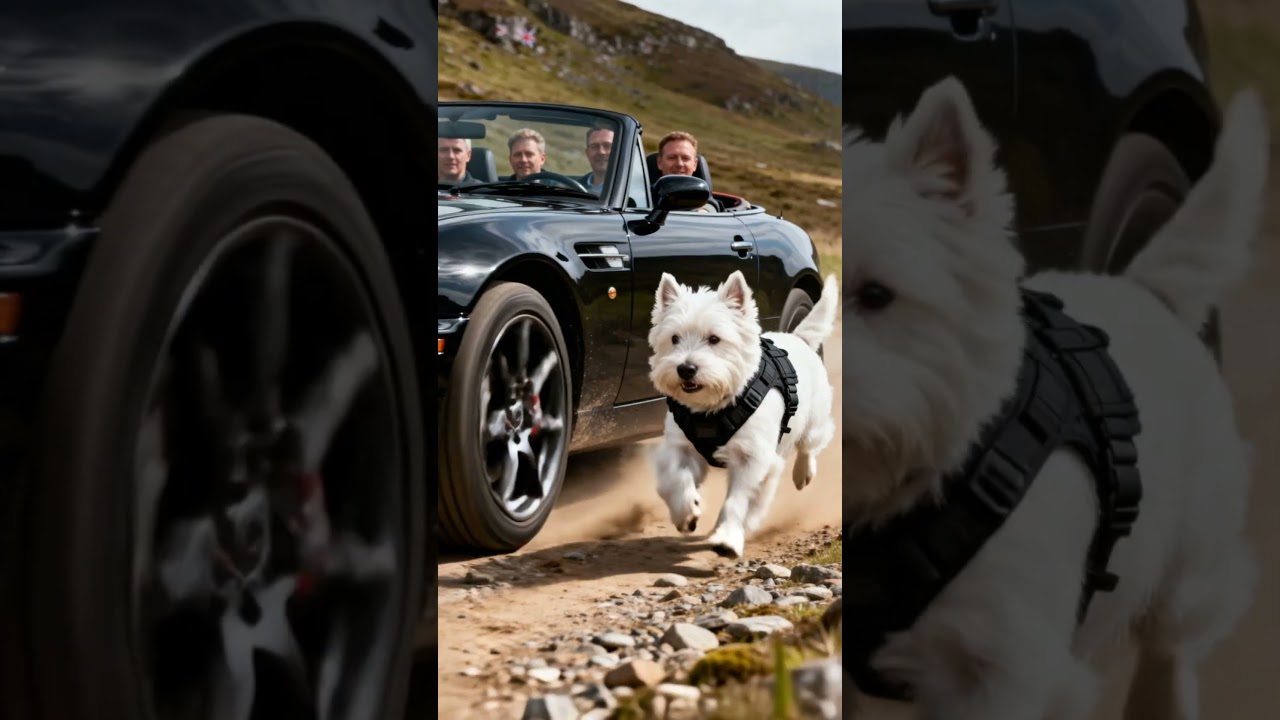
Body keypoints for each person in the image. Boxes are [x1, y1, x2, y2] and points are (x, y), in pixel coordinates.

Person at [655, 131, 715, 212]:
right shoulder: (642, 195)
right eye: (672, 157)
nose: (679, 164)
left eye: (685, 158)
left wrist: (703, 211)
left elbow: (711, 206)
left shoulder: (703, 202)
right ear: (659, 162)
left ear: (695, 164)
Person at [579, 124, 613, 195]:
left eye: (607, 146)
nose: (601, 152)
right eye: (594, 146)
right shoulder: (573, 188)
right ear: (587, 153)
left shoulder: (631, 190)